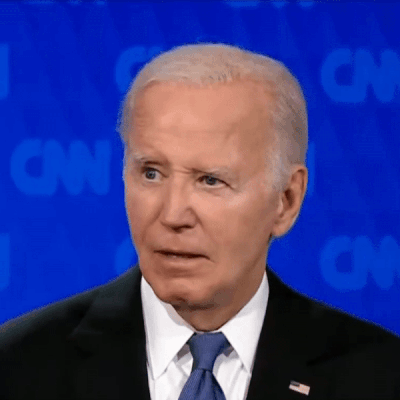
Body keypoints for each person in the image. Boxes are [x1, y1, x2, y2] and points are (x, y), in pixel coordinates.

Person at [0, 43, 399, 400]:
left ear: (286, 200)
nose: (172, 215)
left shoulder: (380, 376)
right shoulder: (17, 366)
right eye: (151, 173)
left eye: (210, 180)